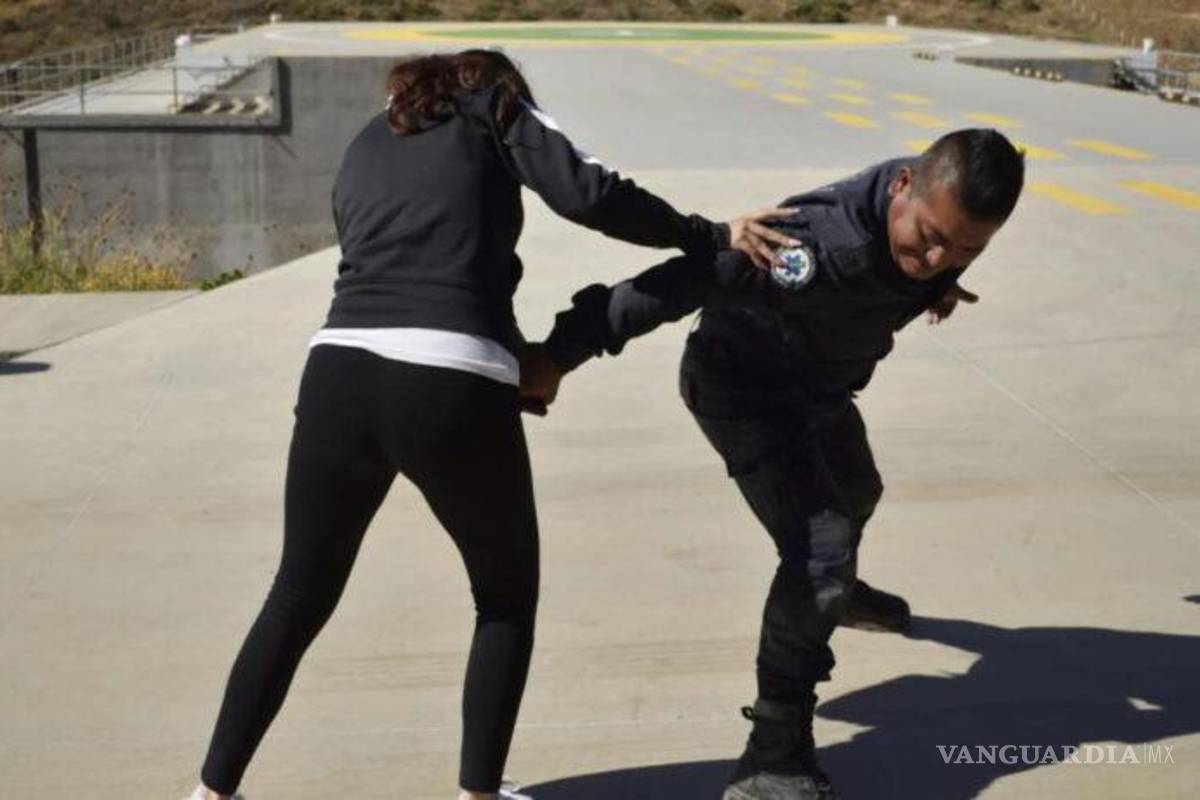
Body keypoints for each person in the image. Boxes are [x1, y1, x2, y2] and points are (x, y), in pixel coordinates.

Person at [184, 49, 796, 800]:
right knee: (504, 599)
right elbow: (589, 194)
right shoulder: (493, 108)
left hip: (336, 370)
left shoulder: (368, 139)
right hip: (446, 377)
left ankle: (212, 791)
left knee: (297, 593)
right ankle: (478, 792)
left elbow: (411, 260)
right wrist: (705, 235)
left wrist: (501, 356)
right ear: (498, 85)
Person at [520, 129, 1026, 800]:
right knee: (821, 550)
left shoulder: (928, 225)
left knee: (859, 492)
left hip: (815, 389)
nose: (938, 258)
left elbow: (937, 249)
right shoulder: (809, 247)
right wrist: (558, 354)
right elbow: (671, 287)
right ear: (903, 184)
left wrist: (931, 283)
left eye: (966, 251)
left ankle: (833, 594)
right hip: (742, 392)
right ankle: (771, 756)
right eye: (932, 237)